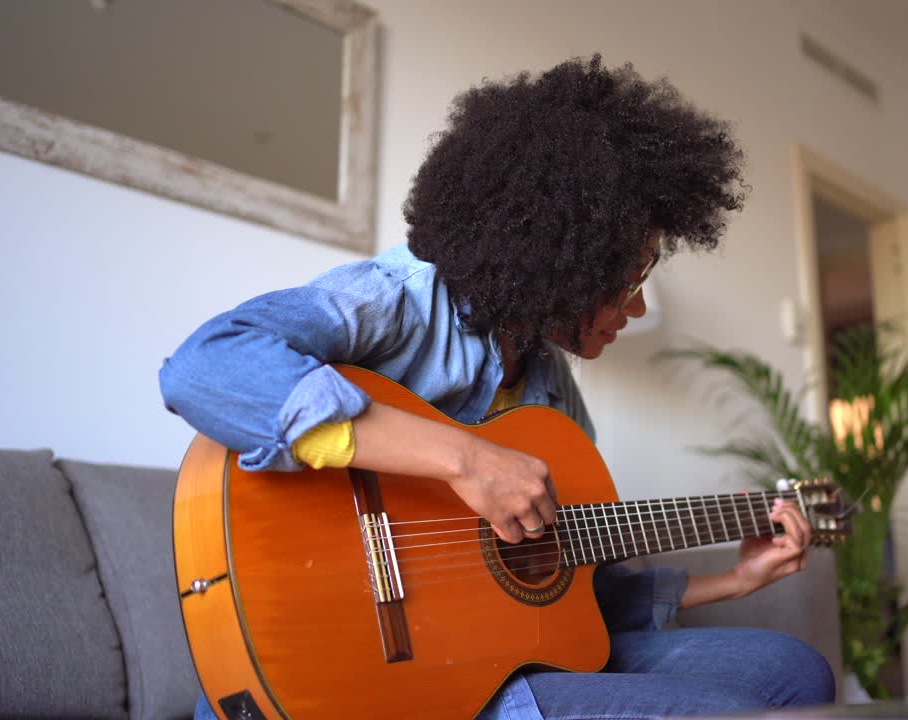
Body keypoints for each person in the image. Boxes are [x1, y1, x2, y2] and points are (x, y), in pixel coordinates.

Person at [161, 54, 834, 720]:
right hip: (369, 671)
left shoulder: (554, 396)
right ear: (561, 257)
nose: (634, 306)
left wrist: (734, 579)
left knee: (792, 672)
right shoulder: (399, 300)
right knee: (714, 709)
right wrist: (466, 461)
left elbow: (569, 590)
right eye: (627, 279)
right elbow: (205, 366)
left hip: (500, 657)